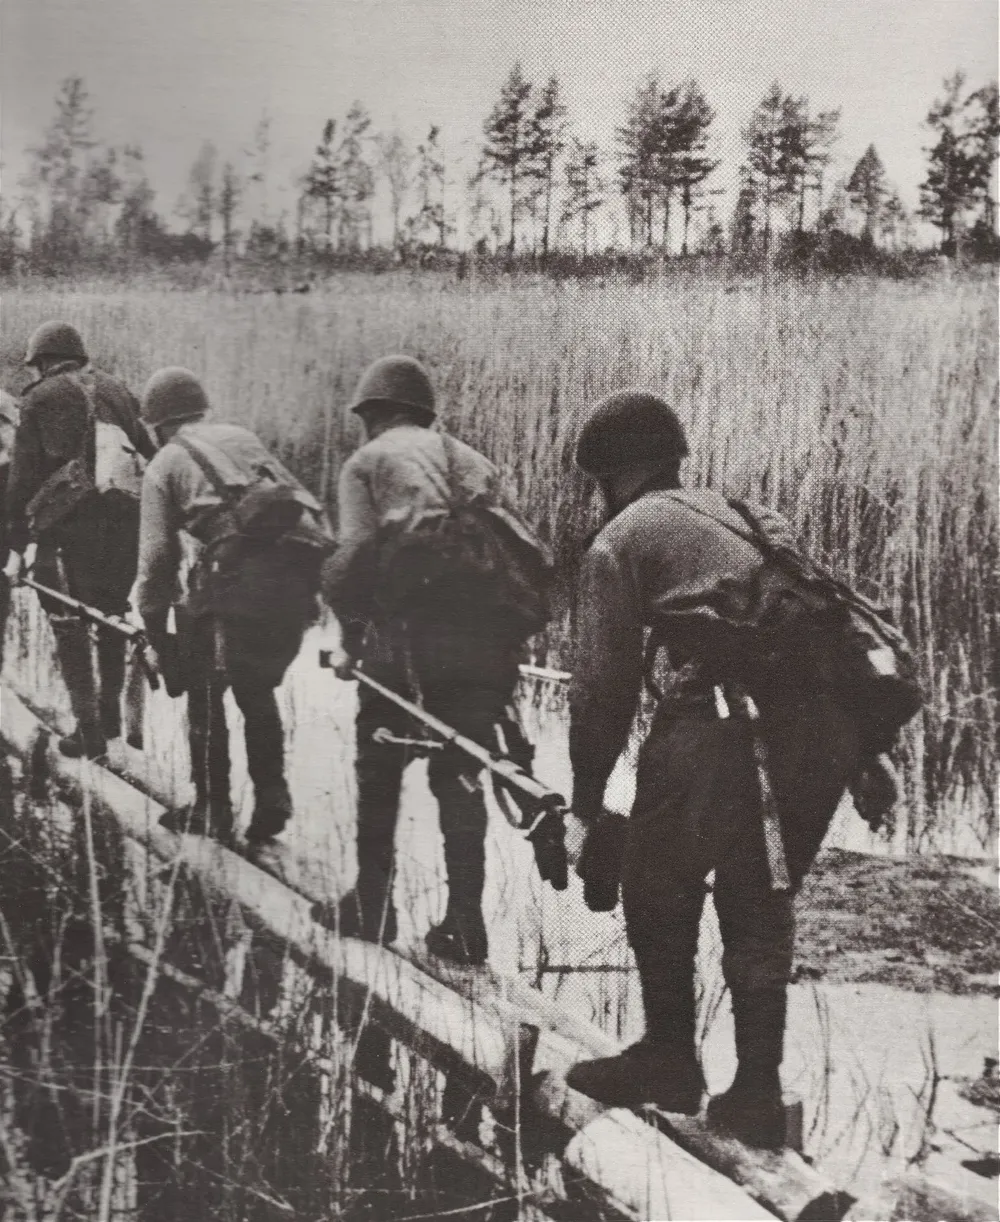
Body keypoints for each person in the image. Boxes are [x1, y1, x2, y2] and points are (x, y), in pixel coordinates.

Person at [564, 390, 867, 1149]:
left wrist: (584, 800)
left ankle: (668, 1059)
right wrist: (867, 761)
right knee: (758, 898)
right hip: (817, 735)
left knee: (653, 880)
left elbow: (602, 689)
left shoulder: (623, 538)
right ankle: (757, 1093)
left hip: (719, 728)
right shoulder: (751, 515)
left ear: (609, 475)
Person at [317, 355, 550, 966]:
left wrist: (350, 639)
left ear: (372, 412)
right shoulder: (475, 461)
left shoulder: (366, 463)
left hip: (407, 639)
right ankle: (465, 923)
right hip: (481, 642)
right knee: (462, 769)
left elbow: (353, 560)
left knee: (379, 762)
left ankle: (374, 903)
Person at [135, 367, 330, 844]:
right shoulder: (240, 436)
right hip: (296, 575)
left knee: (204, 693)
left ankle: (212, 808)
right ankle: (272, 799)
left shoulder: (164, 464)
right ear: (201, 409)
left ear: (156, 423)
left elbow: (156, 562)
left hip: (236, 579)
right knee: (256, 689)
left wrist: (157, 631)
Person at [4, 321, 155, 758]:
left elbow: (23, 475)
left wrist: (16, 537)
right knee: (110, 615)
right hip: (126, 519)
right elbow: (150, 453)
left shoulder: (40, 398)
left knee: (68, 622)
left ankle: (87, 731)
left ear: (44, 362)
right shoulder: (118, 389)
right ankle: (108, 718)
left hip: (71, 526)